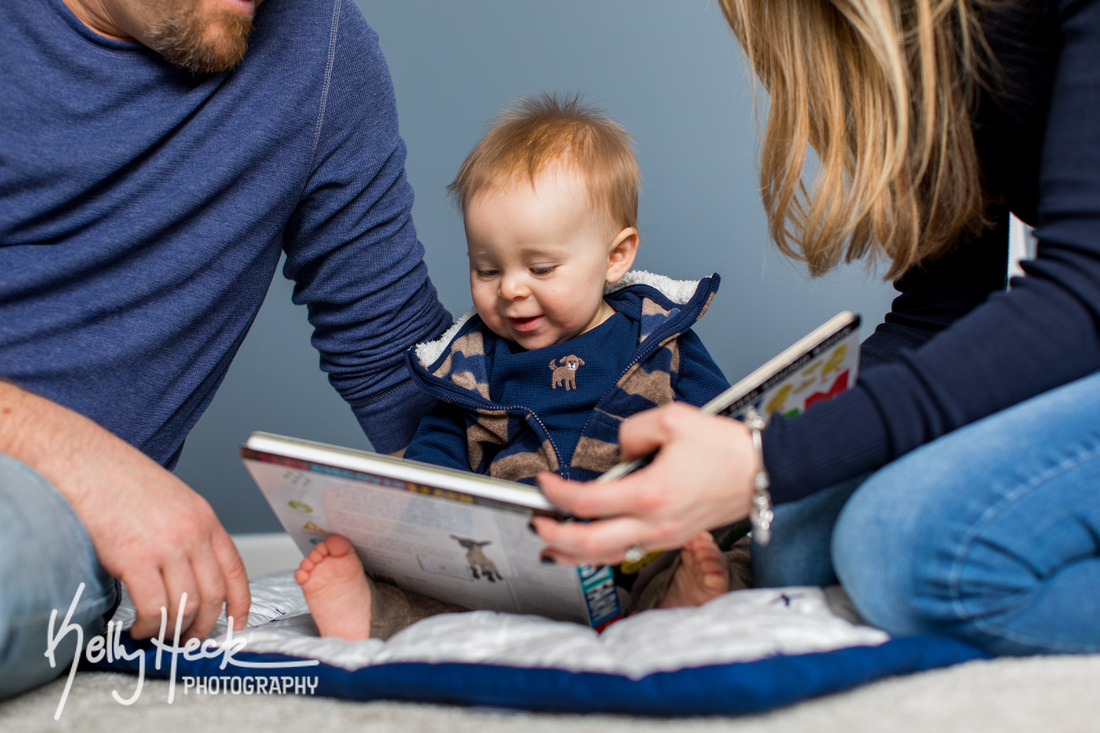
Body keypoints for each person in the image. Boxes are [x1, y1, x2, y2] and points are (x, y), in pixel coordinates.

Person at [532, 0, 1100, 657]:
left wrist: (766, 463)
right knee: (795, 544)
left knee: (901, 547)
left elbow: (1083, 290)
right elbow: (946, 302)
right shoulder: (934, 43)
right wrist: (795, 462)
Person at [0, 0, 452, 697]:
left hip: (43, 530)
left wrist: (592, 480)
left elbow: (407, 372)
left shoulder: (318, 46)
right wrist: (80, 458)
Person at [294, 95, 743, 640]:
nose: (510, 288)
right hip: (522, 561)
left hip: (638, 537)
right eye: (486, 269)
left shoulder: (659, 335)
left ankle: (677, 599)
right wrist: (413, 516)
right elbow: (437, 457)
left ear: (616, 256)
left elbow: (725, 427)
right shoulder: (474, 367)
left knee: (733, 544)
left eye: (540, 267)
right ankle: (368, 613)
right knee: (436, 582)